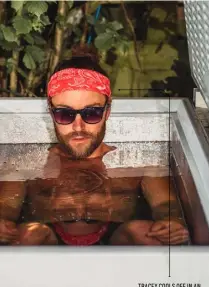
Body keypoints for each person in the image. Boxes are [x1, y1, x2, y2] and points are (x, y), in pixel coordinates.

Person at [0, 45, 189, 246]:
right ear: (51, 112)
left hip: (118, 240)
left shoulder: (139, 165)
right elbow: (5, 207)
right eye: (65, 114)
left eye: (92, 113)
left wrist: (172, 221)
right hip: (49, 242)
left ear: (107, 111)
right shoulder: (25, 165)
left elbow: (166, 205)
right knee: (30, 234)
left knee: (142, 231)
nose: (78, 127)